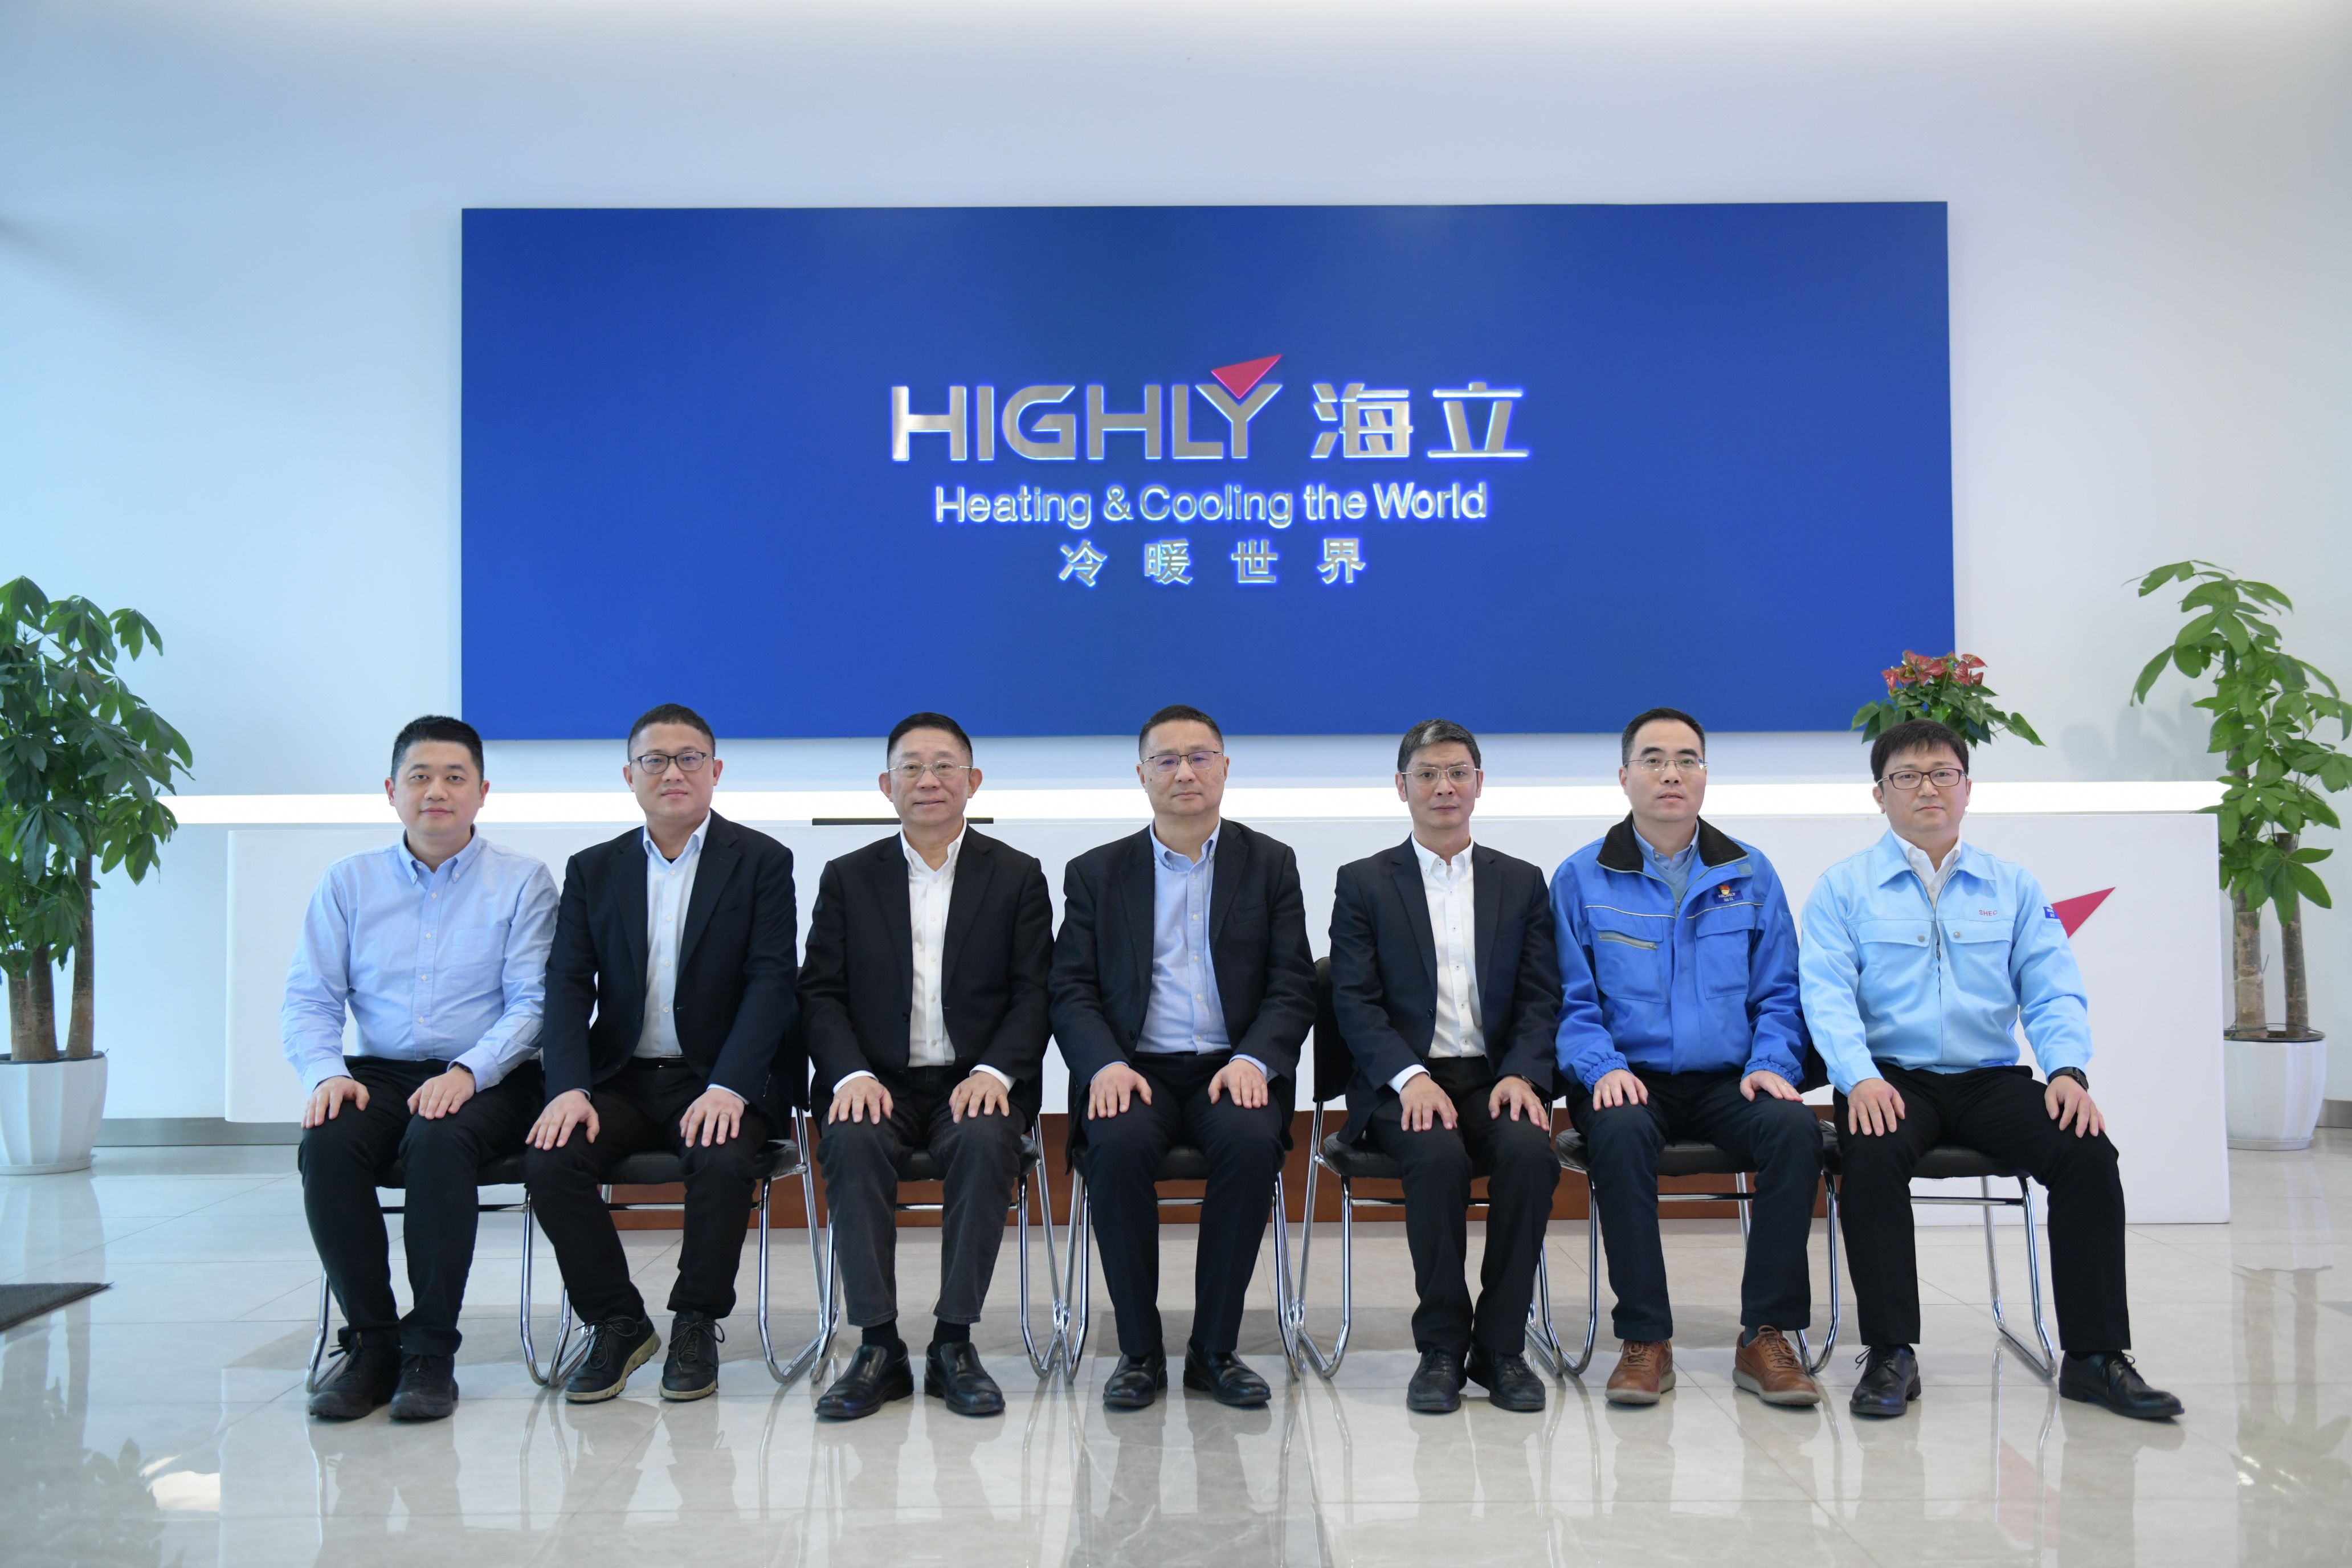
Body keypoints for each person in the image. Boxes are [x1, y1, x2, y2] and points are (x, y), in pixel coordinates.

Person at [1800, 717, 2182, 1420]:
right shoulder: (1844, 888)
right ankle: (1891, 1352)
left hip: (1989, 1079)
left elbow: (2052, 987)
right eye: (1907, 776)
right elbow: (1825, 995)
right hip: (1891, 1079)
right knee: (1872, 1156)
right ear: (1880, 794)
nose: (1927, 789)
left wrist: (2066, 1071)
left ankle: (2095, 1357)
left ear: (1967, 788)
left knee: (2087, 1152)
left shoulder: (2011, 886)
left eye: (1942, 773)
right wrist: (1857, 1077)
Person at [524, 702, 799, 1404]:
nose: (673, 772)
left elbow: (772, 982)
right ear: (630, 774)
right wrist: (568, 1086)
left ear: (715, 770)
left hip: (717, 1077)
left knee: (723, 1154)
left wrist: (731, 1085)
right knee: (550, 1159)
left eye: (689, 758)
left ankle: (696, 1320)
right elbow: (566, 983)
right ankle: (618, 1320)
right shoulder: (595, 868)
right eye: (655, 759)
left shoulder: (762, 861)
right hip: (619, 1075)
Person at [285, 715, 558, 1422]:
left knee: (439, 1139)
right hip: (378, 1073)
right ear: (391, 790)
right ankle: (373, 1344)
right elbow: (310, 997)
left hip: (494, 1076)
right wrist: (326, 1074)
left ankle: (431, 1350)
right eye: (420, 776)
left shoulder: (522, 880)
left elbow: (535, 1002)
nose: (436, 790)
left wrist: (469, 1071)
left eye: (454, 777)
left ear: (482, 792)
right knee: (328, 1142)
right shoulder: (349, 882)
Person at [1552, 707, 1823, 1408]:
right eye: (1653, 759)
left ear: (1705, 774)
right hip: (1627, 1078)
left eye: (1687, 760)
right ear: (1624, 776)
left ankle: (1767, 1333)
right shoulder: (1581, 877)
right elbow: (1571, 1001)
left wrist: (1773, 1064)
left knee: (1795, 1129)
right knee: (1617, 1134)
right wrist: (1603, 1067)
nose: (1671, 773)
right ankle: (1645, 1338)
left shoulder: (1750, 872)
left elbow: (1781, 992)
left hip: (1731, 1078)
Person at [1048, 704, 1316, 1410]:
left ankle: (1214, 1350)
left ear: (1225, 768)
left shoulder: (1270, 864)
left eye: (1200, 757)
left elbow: (1293, 983)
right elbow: (1070, 988)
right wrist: (1104, 1065)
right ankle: (1139, 1351)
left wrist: (1256, 1060)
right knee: (1115, 1145)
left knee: (1251, 1144)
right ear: (1142, 776)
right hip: (1133, 1068)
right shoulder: (1097, 872)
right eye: (1166, 760)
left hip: (1233, 1068)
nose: (1185, 772)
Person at [800, 712, 1054, 1421]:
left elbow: (1036, 992)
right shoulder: (849, 877)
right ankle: (877, 1345)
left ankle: (953, 1342)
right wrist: (850, 1075)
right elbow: (820, 992)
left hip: (973, 1079)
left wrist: (996, 1073)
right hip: (874, 1080)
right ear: (887, 786)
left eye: (945, 766)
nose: (929, 780)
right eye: (911, 767)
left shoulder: (1017, 875)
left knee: (985, 1139)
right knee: (851, 1139)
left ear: (973, 781)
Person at [1327, 718, 1562, 1414]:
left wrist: (1523, 1073)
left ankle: (1502, 1346)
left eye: (1458, 772)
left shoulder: (1519, 881)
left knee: (1530, 1153)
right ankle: (1441, 1347)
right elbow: (1354, 1000)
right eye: (1427, 774)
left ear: (1479, 783)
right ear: (1402, 787)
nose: (1444, 786)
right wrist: (1411, 1078)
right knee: (1434, 1155)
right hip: (1402, 1084)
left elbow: (1542, 995)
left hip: (1495, 1079)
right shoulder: (1365, 882)